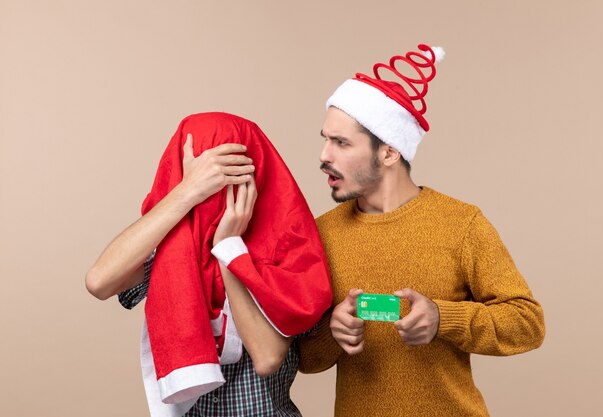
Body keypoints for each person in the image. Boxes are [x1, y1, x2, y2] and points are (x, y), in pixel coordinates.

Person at [298, 44, 546, 416]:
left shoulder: (461, 224)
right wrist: (332, 332)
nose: (324, 156)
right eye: (325, 139)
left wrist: (444, 318)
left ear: (389, 152)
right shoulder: (322, 234)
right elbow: (306, 361)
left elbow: (527, 324)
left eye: (341, 142)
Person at [86, 112, 332, 417]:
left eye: (228, 176)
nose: (216, 193)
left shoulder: (284, 248)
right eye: (208, 178)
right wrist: (185, 193)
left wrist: (227, 249)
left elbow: (268, 357)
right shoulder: (174, 251)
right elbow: (99, 281)